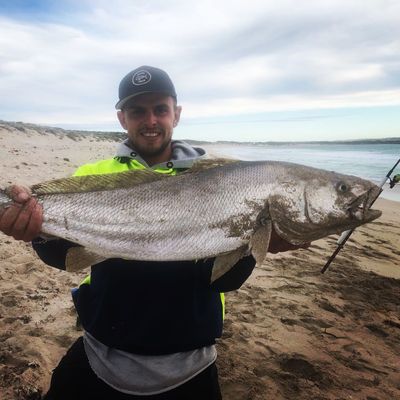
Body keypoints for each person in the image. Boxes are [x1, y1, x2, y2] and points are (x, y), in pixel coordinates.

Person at [0, 66, 308, 399]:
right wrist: (36, 233)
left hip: (191, 362)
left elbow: (224, 280)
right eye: (137, 111)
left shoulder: (222, 180)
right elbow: (67, 256)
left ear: (176, 114)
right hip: (101, 351)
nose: (150, 121)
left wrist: (252, 246)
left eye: (160, 109)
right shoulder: (91, 176)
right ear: (122, 119)